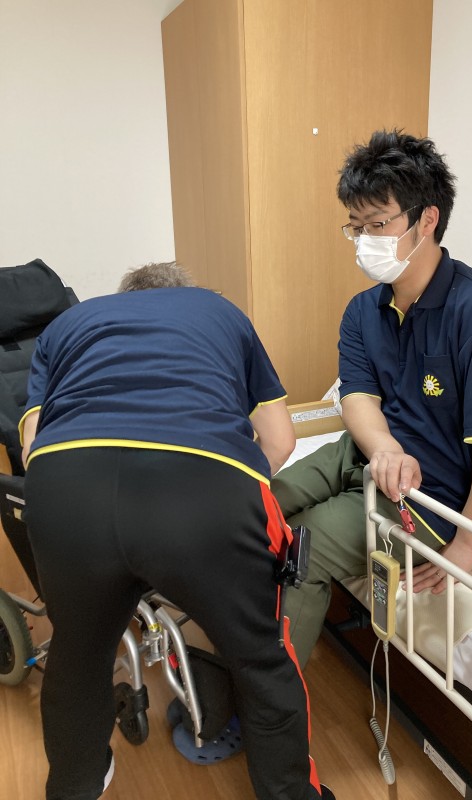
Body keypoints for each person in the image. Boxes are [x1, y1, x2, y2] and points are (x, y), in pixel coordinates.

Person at [20, 262, 334, 800]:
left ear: (123, 297)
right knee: (260, 658)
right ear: (184, 295)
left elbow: (32, 447)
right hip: (199, 489)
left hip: (68, 490)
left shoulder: (66, 325)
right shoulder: (220, 312)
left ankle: (74, 786)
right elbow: (280, 441)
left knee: (77, 656)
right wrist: (226, 493)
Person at [272, 129, 472, 669]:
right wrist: (385, 449)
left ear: (427, 219)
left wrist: (466, 545)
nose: (364, 240)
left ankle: (272, 705)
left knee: (306, 543)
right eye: (356, 227)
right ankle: (237, 627)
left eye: (378, 224)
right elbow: (358, 396)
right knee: (264, 501)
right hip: (367, 453)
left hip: (436, 499)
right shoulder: (362, 311)